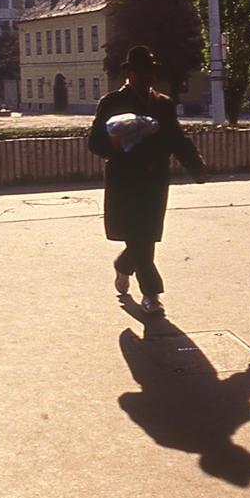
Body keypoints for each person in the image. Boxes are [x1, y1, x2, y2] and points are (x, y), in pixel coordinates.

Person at [87, 45, 207, 315]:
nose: (147, 76)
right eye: (141, 71)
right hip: (126, 179)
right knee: (139, 236)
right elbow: (94, 142)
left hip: (155, 178)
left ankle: (123, 265)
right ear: (128, 73)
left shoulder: (163, 104)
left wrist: (196, 166)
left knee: (146, 235)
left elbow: (177, 138)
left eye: (151, 72)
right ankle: (151, 294)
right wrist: (114, 143)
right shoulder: (112, 102)